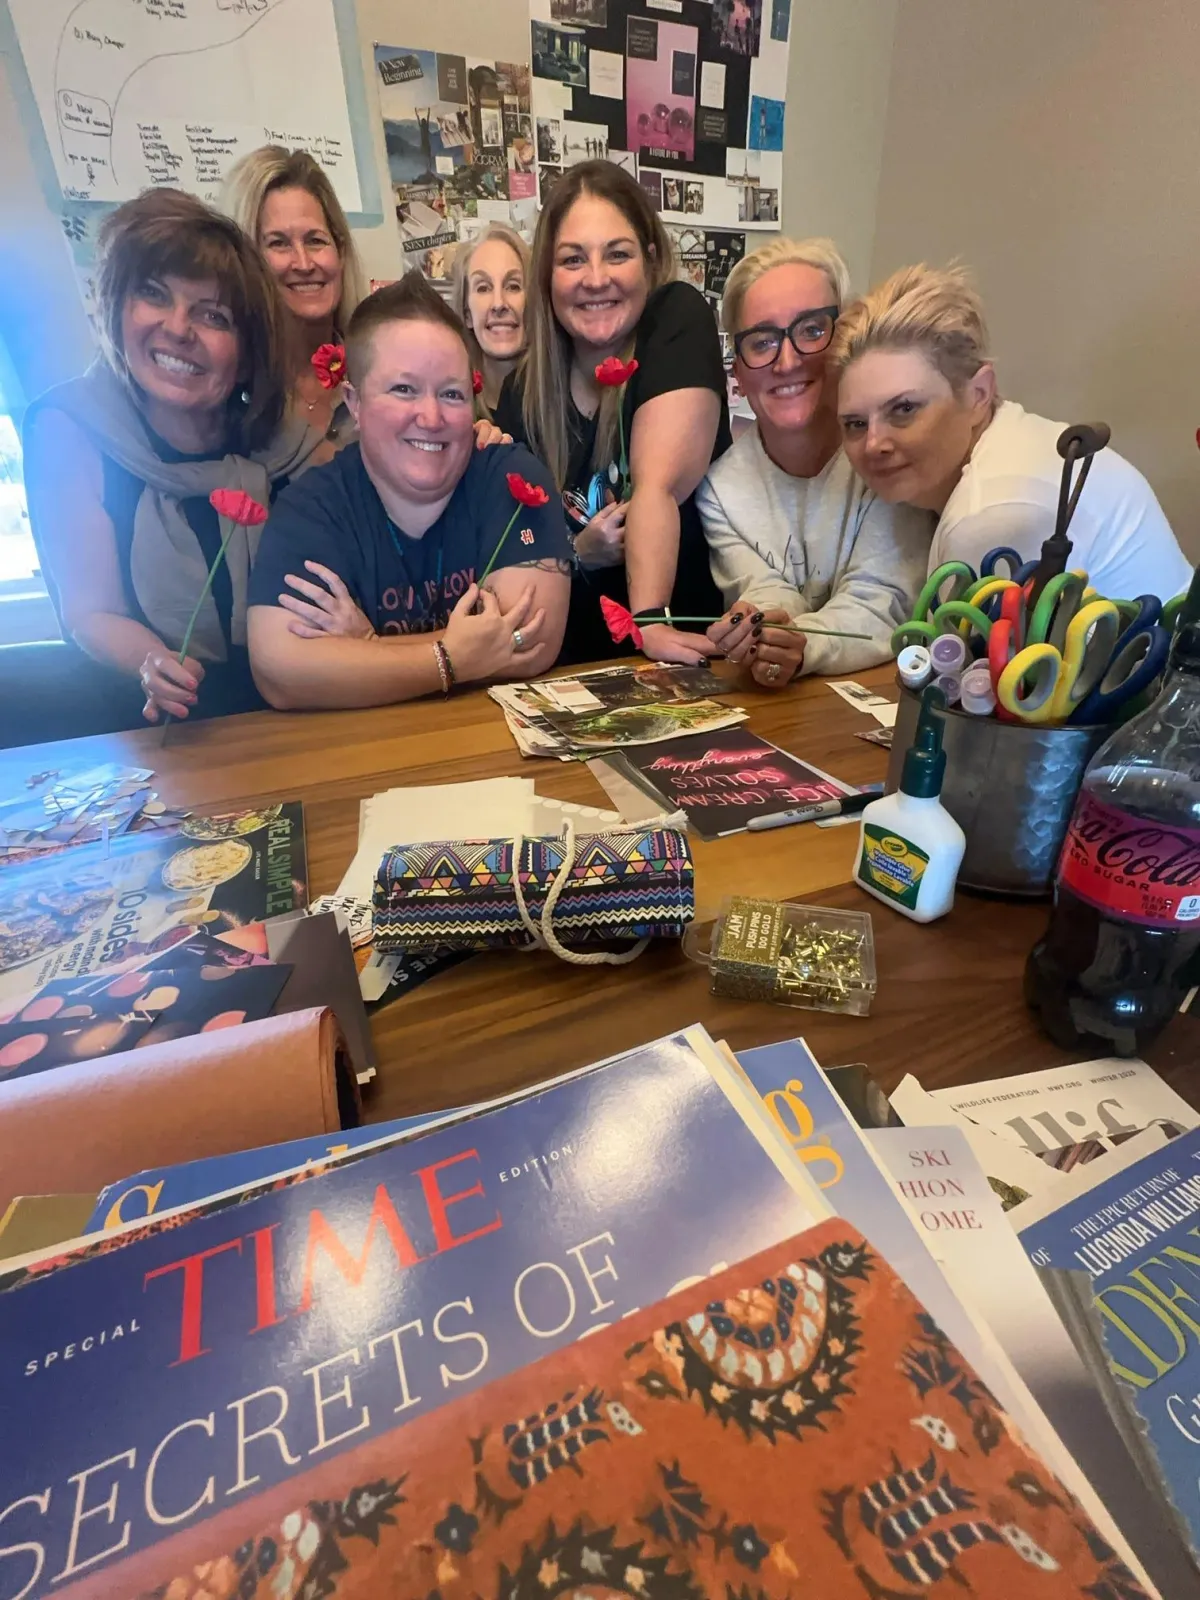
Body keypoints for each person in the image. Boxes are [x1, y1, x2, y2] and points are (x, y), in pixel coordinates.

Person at [23, 188, 319, 724]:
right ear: (117, 305)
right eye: (155, 295)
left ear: (248, 349)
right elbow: (91, 613)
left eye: (212, 316)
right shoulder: (70, 427)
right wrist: (151, 661)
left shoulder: (284, 440)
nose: (178, 329)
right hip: (147, 728)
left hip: (281, 715)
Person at [247, 275, 571, 709]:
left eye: (452, 394)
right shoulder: (311, 508)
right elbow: (280, 672)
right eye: (404, 389)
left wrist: (365, 645)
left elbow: (531, 643)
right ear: (355, 402)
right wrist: (450, 658)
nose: (432, 417)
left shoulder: (512, 478)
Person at [831, 264, 1192, 603]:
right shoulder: (1012, 439)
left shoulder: (993, 514)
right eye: (855, 424)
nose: (874, 443)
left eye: (904, 409)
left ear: (978, 394)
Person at [495, 160, 728, 666]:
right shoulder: (522, 394)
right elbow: (520, 551)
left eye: (617, 255)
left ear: (648, 260)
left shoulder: (677, 320)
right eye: (573, 260)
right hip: (566, 672)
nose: (596, 279)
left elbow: (657, 486)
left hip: (680, 656)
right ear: (548, 277)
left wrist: (649, 622)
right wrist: (578, 551)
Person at [698, 239, 932, 687]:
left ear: (846, 341)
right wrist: (761, 623)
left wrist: (805, 643)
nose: (787, 362)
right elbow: (765, 588)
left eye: (810, 330)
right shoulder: (720, 491)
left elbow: (882, 605)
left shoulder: (885, 455)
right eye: (762, 341)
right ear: (739, 374)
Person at [221, 145, 367, 455]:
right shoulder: (228, 392)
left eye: (315, 240)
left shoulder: (378, 373)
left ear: (339, 251)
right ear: (246, 260)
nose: (303, 263)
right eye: (278, 243)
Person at [451, 225, 529, 414]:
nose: (499, 304)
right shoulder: (451, 405)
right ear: (467, 313)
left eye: (513, 286)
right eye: (483, 288)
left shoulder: (565, 401)